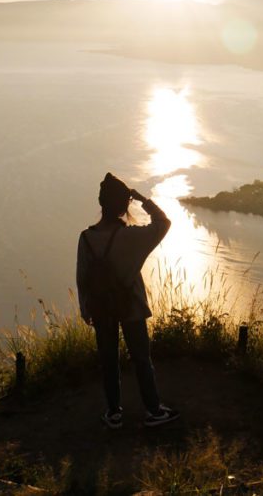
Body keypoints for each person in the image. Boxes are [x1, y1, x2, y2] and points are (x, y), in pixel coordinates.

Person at [76, 172, 177, 429]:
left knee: (109, 360)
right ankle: (153, 410)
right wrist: (143, 199)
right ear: (124, 206)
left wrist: (85, 307)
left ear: (101, 204)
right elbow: (164, 222)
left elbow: (82, 277)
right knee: (141, 359)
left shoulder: (86, 238)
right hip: (130, 305)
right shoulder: (133, 237)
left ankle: (114, 413)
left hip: (100, 308)